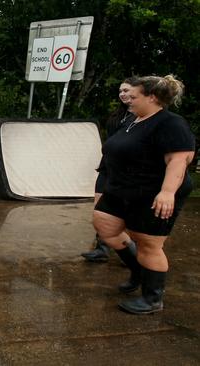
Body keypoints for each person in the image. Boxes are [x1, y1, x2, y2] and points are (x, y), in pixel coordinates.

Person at [93, 75, 195, 314]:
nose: (128, 99)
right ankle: (139, 269)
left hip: (152, 192)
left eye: (134, 96)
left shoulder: (170, 123)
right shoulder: (133, 120)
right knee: (105, 226)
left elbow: (179, 160)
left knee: (149, 244)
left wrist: (167, 192)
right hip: (122, 189)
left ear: (152, 97)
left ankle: (152, 298)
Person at [82, 78, 138, 263]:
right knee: (100, 209)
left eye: (127, 90)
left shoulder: (142, 117)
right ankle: (102, 248)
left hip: (126, 171)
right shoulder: (117, 115)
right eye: (121, 90)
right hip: (107, 168)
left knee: (124, 213)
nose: (123, 94)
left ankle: (130, 252)